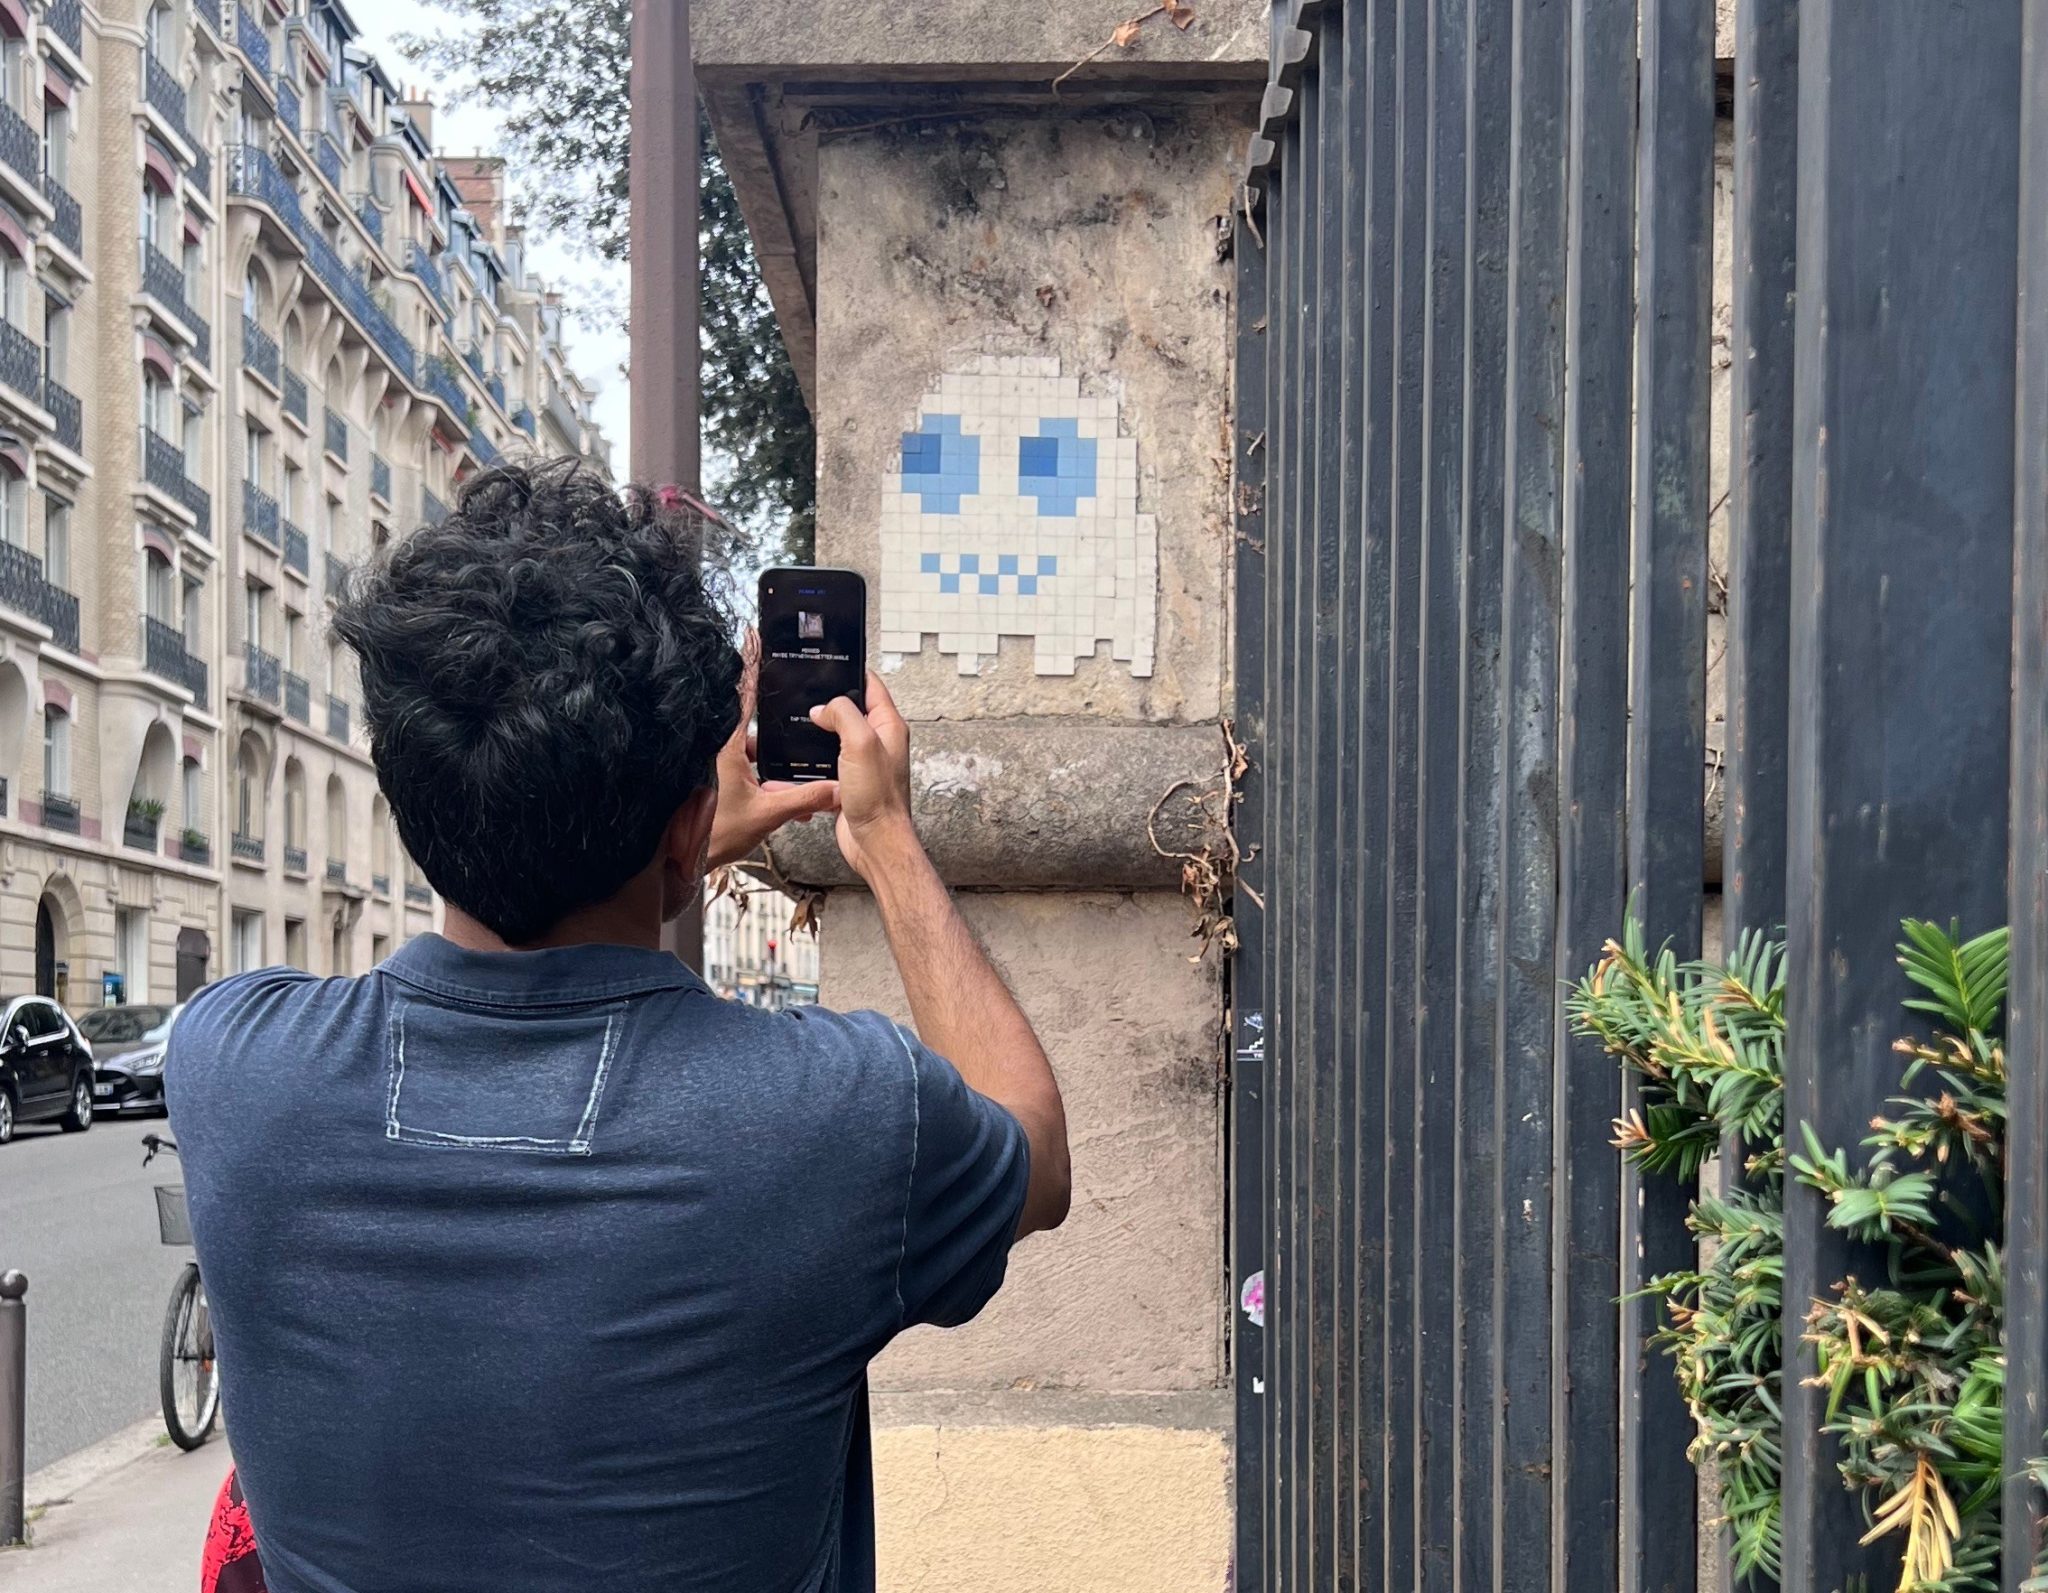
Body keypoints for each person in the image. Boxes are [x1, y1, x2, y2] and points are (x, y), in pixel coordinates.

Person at [167, 459, 1071, 1593]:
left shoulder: (232, 1066)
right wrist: (880, 833)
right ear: (688, 829)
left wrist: (671, 847)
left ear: (407, 794)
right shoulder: (836, 1117)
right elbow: (1036, 1153)